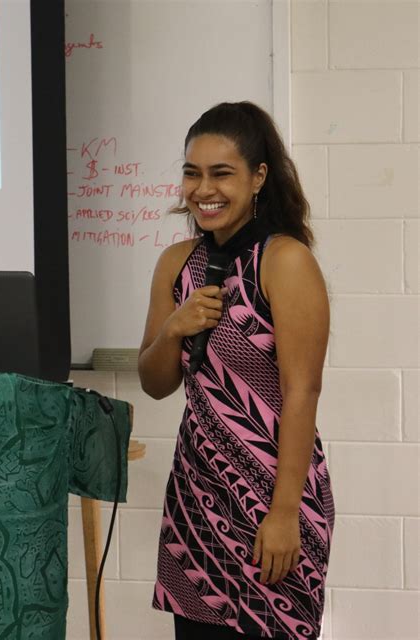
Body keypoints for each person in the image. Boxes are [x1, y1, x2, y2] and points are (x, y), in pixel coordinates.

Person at [138, 102, 335, 640]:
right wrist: (174, 328)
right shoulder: (176, 262)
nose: (204, 189)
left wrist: (285, 513)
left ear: (258, 178)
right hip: (195, 499)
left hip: (273, 496)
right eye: (192, 172)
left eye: (221, 173)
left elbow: (302, 391)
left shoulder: (285, 260)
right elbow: (155, 384)